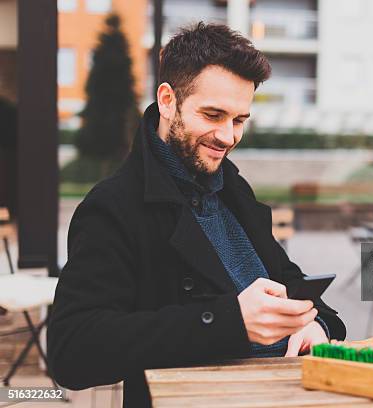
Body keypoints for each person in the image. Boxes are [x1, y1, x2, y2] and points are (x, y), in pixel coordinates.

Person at [47, 23, 345, 407]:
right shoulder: (114, 206)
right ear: (168, 100)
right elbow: (73, 351)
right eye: (212, 115)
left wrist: (316, 326)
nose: (228, 137)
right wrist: (229, 321)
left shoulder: (233, 189)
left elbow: (294, 286)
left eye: (239, 120)